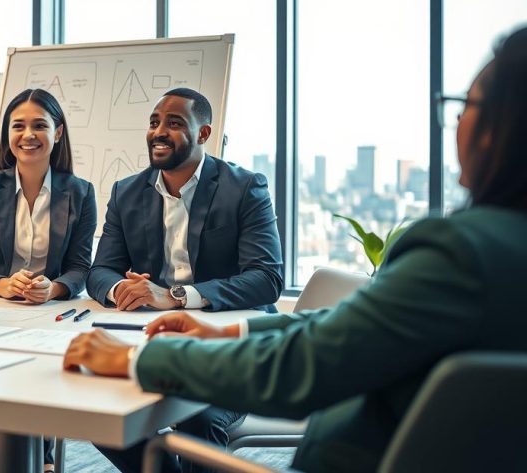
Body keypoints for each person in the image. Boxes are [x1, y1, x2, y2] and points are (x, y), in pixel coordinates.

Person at [64, 27, 527, 473]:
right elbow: (342, 329)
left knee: (127, 405)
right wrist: (230, 332)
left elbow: (304, 362)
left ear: (500, 124)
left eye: (466, 105)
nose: (459, 121)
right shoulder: (502, 249)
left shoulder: (457, 252)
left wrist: (134, 359)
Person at [83, 87, 284, 472]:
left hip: (229, 347)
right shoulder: (127, 192)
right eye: (154, 122)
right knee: (102, 412)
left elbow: (267, 278)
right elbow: (100, 271)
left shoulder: (244, 188)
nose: (159, 131)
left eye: (174, 124)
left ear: (204, 134)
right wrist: (119, 288)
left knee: (198, 420)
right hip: (153, 339)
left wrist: (175, 296)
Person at [0, 88, 97, 472]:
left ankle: (43, 460)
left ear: (58, 132)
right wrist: (1, 284)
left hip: (50, 316)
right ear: (7, 133)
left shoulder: (80, 193)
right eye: (18, 126)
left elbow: (81, 267)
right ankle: (12, 461)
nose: (28, 135)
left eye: (39, 125)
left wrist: (56, 287)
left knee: (42, 379)